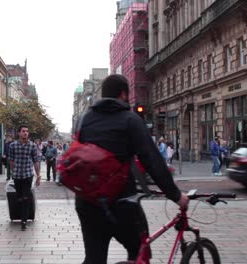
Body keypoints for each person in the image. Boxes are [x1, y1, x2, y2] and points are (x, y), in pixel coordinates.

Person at [75, 74, 189, 264]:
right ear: (123, 94)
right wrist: (176, 196)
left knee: (94, 257)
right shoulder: (130, 120)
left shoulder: (84, 119)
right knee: (139, 250)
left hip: (88, 202)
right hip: (121, 202)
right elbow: (152, 160)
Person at [8, 125, 41, 231]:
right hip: (17, 175)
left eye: (27, 131)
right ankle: (21, 215)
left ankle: (24, 221)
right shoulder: (13, 145)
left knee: (26, 197)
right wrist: (13, 172)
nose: (25, 133)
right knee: (19, 197)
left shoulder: (32, 146)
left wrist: (38, 175)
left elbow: (36, 161)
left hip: (28, 175)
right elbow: (11, 161)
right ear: (19, 133)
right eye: (23, 131)